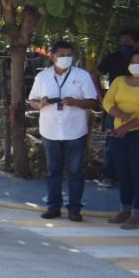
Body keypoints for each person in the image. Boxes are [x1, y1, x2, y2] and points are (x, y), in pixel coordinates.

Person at [27, 41, 100, 222]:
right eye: (61, 55)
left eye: (68, 55)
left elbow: (92, 101)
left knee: (75, 171)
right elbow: (32, 100)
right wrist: (40, 104)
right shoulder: (43, 76)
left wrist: (75, 102)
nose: (65, 58)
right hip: (50, 131)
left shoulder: (82, 75)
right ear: (52, 56)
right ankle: (53, 207)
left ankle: (74, 209)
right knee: (53, 171)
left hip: (75, 130)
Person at [90, 28, 138, 188]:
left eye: (128, 42)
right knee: (112, 142)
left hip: (136, 116)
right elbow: (95, 74)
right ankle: (109, 175)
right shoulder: (114, 58)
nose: (124, 44)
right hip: (114, 109)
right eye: (122, 41)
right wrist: (101, 97)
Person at [103, 49, 139, 229]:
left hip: (135, 133)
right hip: (119, 132)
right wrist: (122, 116)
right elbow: (107, 102)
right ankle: (125, 208)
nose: (136, 65)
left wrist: (127, 126)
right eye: (134, 62)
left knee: (137, 173)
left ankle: (137, 213)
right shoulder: (119, 81)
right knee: (123, 172)